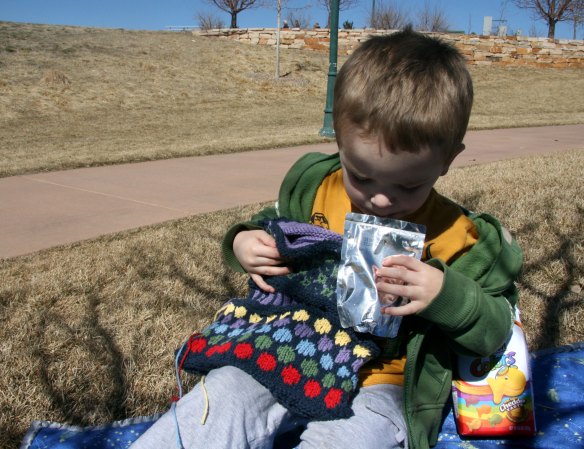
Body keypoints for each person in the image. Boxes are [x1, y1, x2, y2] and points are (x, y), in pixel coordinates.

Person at [131, 27, 523, 449]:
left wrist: (445, 295)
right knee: (223, 397)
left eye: (409, 186)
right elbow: (272, 223)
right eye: (362, 176)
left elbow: (495, 330)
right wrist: (244, 242)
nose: (380, 199)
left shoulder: (460, 238)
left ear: (448, 160)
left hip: (381, 386)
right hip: (289, 350)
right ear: (339, 138)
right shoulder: (318, 188)